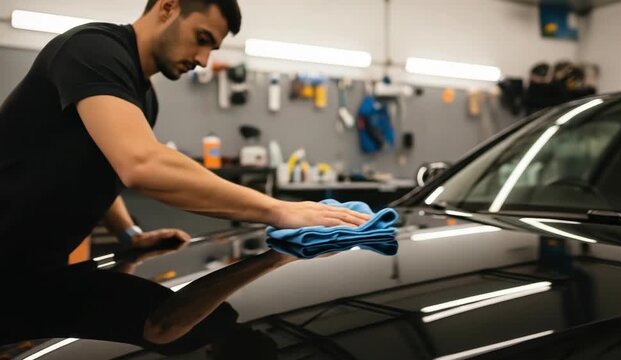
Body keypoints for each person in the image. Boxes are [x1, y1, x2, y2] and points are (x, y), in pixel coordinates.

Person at [0, 0, 370, 347]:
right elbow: (141, 164)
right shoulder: (92, 49)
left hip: (37, 273)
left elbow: (102, 166)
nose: (204, 60)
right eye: (202, 39)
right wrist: (281, 210)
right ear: (168, 6)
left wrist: (128, 233)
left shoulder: (144, 96)